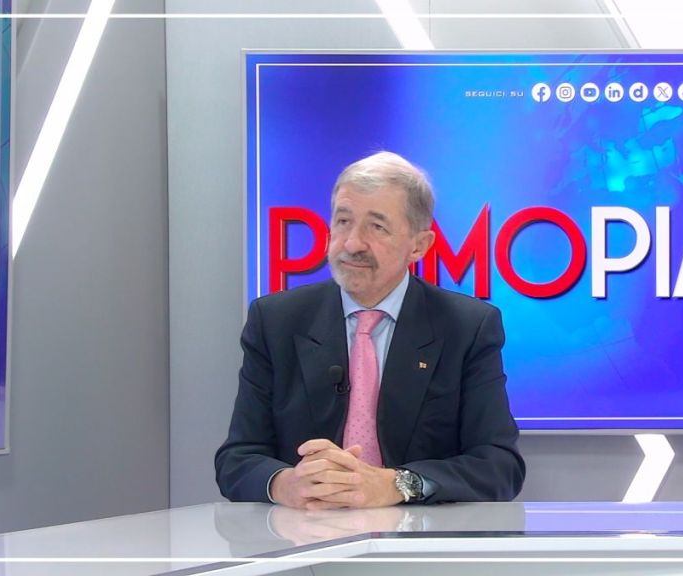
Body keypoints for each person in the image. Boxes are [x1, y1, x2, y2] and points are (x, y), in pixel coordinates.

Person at [216, 151, 525, 509]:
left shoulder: (467, 327)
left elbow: (500, 467)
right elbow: (236, 460)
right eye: (343, 221)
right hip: (305, 533)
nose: (352, 243)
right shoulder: (276, 320)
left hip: (418, 538)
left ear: (419, 246)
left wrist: (397, 484)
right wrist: (285, 484)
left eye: (377, 226)